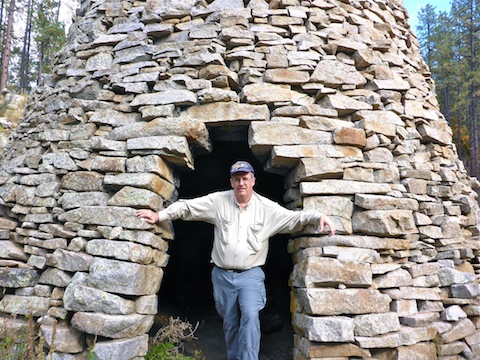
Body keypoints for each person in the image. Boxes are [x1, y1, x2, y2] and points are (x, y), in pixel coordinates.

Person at [136, 160, 335, 360]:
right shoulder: (218, 201)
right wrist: (159, 215)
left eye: (245, 178)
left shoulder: (267, 208)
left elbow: (293, 218)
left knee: (249, 316)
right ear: (231, 182)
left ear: (253, 181)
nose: (241, 183)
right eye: (237, 179)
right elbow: (187, 207)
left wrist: (317, 216)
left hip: (250, 275)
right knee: (230, 322)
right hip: (222, 275)